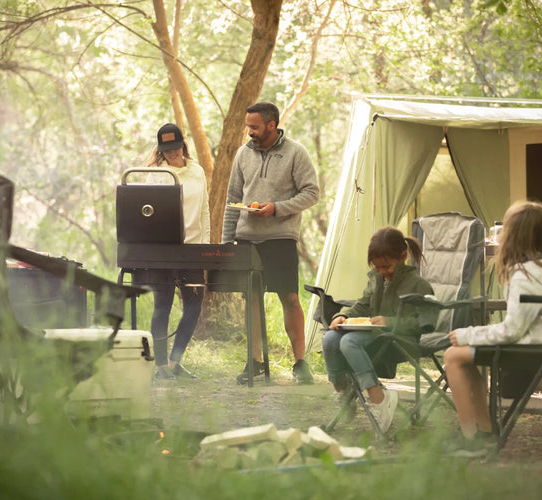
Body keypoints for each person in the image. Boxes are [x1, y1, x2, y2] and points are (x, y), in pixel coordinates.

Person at [444, 200, 542, 456]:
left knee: (453, 356)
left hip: (534, 349)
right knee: (468, 356)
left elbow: (512, 331)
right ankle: (484, 431)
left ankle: (471, 437)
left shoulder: (525, 274)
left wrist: (467, 334)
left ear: (513, 237)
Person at [222, 102, 320, 385]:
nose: (249, 132)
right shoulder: (243, 153)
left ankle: (300, 362)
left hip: (281, 238)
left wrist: (276, 208)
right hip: (246, 239)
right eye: (247, 126)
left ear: (271, 125)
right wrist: (227, 242)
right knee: (251, 299)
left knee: (289, 298)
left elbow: (312, 193)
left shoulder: (295, 153)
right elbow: (232, 200)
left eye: (254, 126)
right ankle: (254, 362)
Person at [321, 227, 435, 433]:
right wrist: (343, 316)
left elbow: (424, 323)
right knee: (330, 338)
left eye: (387, 267)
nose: (382, 272)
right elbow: (363, 305)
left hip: (400, 341)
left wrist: (390, 322)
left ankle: (379, 399)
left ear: (403, 256)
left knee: (348, 342)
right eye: (377, 267)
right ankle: (344, 393)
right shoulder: (377, 279)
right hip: (375, 338)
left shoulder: (419, 285)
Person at [141, 123, 211, 380]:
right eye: (165, 149)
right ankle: (160, 367)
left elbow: (204, 210)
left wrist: (206, 246)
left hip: (193, 249)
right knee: (163, 307)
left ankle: (174, 361)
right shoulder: (156, 174)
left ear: (183, 144)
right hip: (164, 250)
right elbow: (147, 215)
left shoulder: (197, 171)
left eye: (174, 147)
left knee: (193, 306)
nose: (171, 153)